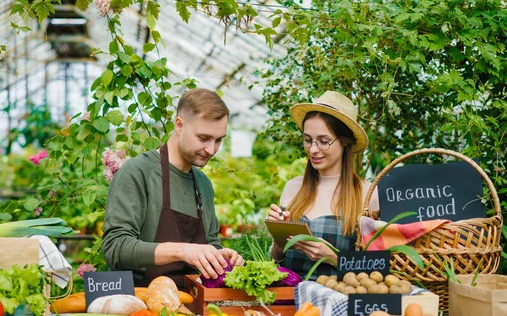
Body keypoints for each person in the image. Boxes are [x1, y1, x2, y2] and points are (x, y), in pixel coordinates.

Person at [101, 88, 244, 288]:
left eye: (218, 140)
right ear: (179, 125)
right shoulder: (138, 172)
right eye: (203, 138)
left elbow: (210, 243)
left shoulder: (203, 184)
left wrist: (219, 256)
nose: (211, 149)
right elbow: (115, 248)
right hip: (139, 304)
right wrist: (183, 251)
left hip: (190, 305)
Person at [268, 90, 379, 279]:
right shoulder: (293, 188)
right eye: (308, 140)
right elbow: (275, 262)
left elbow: (378, 270)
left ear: (345, 142)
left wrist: (334, 257)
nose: (313, 149)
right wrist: (278, 243)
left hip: (339, 300)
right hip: (289, 301)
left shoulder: (367, 193)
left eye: (324, 141)